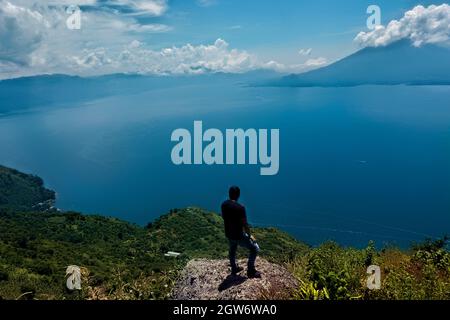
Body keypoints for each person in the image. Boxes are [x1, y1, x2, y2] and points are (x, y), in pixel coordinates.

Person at [221, 186, 261, 278]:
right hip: (238, 235)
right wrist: (250, 235)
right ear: (238, 195)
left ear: (229, 193)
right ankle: (251, 271)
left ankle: (234, 268)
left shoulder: (224, 204)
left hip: (228, 233)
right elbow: (245, 224)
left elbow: (224, 217)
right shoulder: (240, 208)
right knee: (255, 248)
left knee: (232, 249)